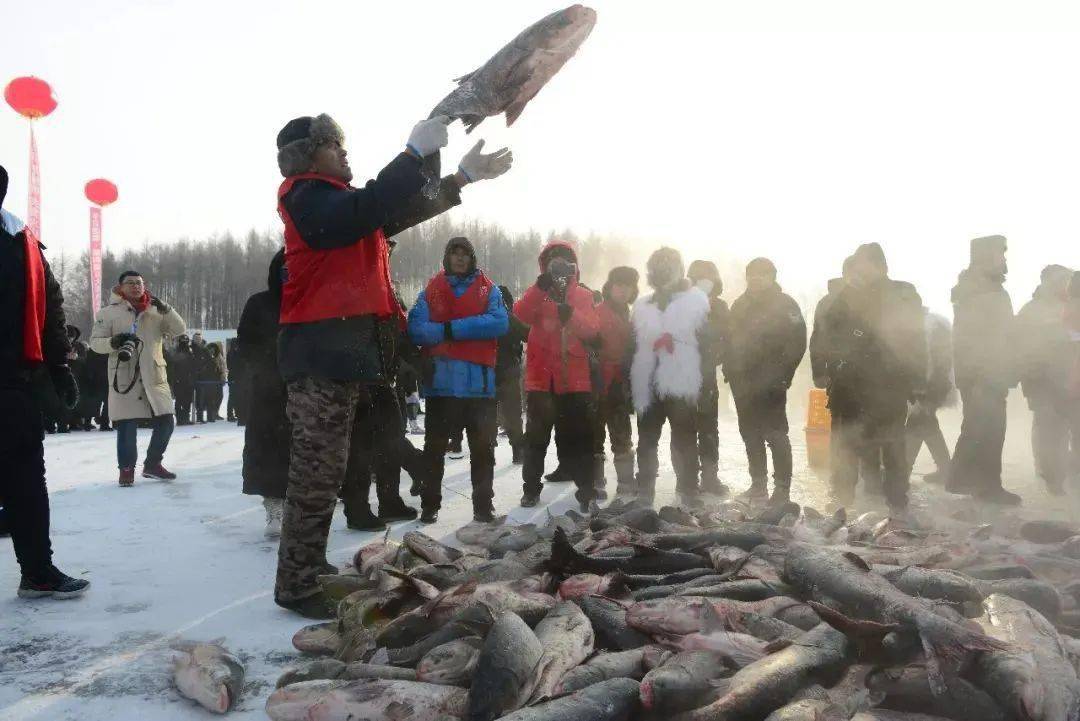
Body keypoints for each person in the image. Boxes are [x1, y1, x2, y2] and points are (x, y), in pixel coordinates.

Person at [272, 111, 512, 618]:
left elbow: (399, 209)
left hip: (345, 353)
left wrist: (460, 177)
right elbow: (373, 203)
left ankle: (308, 566)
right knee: (315, 474)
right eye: (333, 145)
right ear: (307, 155)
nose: (344, 152)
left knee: (330, 469)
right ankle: (297, 582)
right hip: (319, 354)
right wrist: (410, 153)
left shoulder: (341, 202)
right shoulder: (304, 195)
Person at [0, 164, 90, 598]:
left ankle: (36, 571)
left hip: (12, 382)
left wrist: (58, 364)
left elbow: (50, 308)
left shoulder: (23, 243)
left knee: (25, 481)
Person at [820, 243, 927, 513]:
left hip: (888, 383)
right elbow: (827, 334)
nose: (860, 270)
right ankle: (842, 499)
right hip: (848, 385)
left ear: (881, 266)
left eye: (866, 264)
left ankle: (897, 501)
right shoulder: (845, 295)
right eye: (857, 265)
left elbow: (915, 337)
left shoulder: (903, 293)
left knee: (892, 445)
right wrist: (830, 371)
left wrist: (916, 380)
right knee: (845, 443)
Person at [408, 237, 508, 524]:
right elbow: (416, 329)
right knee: (434, 451)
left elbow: (500, 323)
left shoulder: (489, 289)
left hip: (480, 389)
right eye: (454, 253)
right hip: (441, 387)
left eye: (465, 253)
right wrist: (471, 330)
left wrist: (448, 329)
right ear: (447, 257)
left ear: (472, 257)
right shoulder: (432, 290)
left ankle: (482, 507)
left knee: (483, 452)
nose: (460, 258)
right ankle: (430, 505)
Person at [515, 240, 600, 511]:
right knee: (536, 440)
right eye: (554, 263)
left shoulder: (585, 297)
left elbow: (592, 332)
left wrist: (570, 315)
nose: (560, 268)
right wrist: (540, 288)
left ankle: (586, 491)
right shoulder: (538, 292)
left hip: (575, 382)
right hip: (542, 381)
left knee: (580, 439)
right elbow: (520, 313)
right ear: (545, 266)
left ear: (574, 267)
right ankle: (531, 490)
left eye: (565, 262)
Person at [629, 249, 711, 504]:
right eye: (657, 268)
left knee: (685, 438)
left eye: (668, 267)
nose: (662, 272)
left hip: (682, 378)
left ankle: (687, 489)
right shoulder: (642, 305)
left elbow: (711, 345)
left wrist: (706, 381)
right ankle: (644, 490)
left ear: (679, 270)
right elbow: (631, 345)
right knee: (647, 440)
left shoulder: (697, 302)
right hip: (648, 379)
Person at [90, 270, 187, 485]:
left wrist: (167, 309)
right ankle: (126, 469)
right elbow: (95, 343)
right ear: (120, 287)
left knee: (166, 420)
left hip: (154, 374)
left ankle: (153, 464)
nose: (136, 286)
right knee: (126, 425)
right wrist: (114, 342)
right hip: (124, 375)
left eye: (139, 283)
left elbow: (180, 329)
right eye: (130, 283)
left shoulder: (156, 310)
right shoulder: (108, 312)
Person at [724, 258, 807, 504]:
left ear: (772, 276)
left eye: (762, 274)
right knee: (750, 432)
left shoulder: (785, 304)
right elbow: (729, 339)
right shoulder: (739, 304)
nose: (756, 278)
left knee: (775, 433)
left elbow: (797, 342)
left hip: (772, 381)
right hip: (743, 382)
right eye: (751, 274)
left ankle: (781, 489)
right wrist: (730, 369)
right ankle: (758, 485)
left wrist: (783, 375)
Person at [948, 235, 1021, 505]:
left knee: (983, 427)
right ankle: (981, 485)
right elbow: (976, 337)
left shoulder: (981, 289)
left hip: (988, 371)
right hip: (983, 372)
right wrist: (983, 372)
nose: (1004, 260)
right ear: (985, 256)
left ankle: (970, 482)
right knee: (985, 428)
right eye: (1000, 254)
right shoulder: (980, 291)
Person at [238, 249, 290, 537]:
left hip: (306, 385)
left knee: (304, 448)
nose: (289, 272)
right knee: (269, 447)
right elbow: (245, 343)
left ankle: (302, 507)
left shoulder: (311, 300)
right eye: (285, 266)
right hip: (269, 387)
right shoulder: (259, 303)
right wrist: (269, 361)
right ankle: (274, 505)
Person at [1015, 264, 1075, 495]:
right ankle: (1051, 477)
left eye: (1067, 280)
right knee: (1048, 428)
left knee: (1069, 427)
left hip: (1069, 378)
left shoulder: (1071, 306)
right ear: (1046, 282)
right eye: (1060, 280)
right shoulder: (1032, 309)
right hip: (1041, 379)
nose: (1064, 285)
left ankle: (1067, 474)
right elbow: (1018, 344)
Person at [686, 259, 730, 496]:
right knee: (685, 429)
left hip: (707, 376)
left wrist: (718, 354)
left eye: (708, 281)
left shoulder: (721, 308)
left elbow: (729, 337)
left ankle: (710, 478)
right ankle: (689, 479)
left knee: (709, 428)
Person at [594, 266, 638, 496]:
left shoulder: (631, 314)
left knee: (622, 432)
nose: (622, 291)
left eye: (628, 287)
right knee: (595, 432)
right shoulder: (598, 311)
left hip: (620, 382)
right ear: (609, 288)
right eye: (618, 285)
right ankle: (596, 482)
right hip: (598, 381)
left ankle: (625, 481)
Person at [905, 307, 955, 485]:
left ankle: (903, 471)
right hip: (930, 385)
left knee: (918, 423)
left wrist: (929, 392)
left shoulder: (931, 327)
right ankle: (946, 469)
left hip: (930, 385)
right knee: (926, 423)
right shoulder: (930, 325)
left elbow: (940, 364)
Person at [495, 284, 529, 463]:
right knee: (512, 413)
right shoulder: (510, 318)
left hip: (490, 371)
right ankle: (518, 449)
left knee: (486, 413)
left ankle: (487, 449)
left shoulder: (487, 317)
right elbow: (528, 334)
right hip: (509, 370)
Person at [167, 334, 197, 425]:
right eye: (183, 342)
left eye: (186, 342)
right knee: (180, 400)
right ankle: (180, 419)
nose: (185, 343)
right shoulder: (176, 352)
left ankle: (185, 418)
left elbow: (193, 365)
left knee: (187, 401)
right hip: (179, 380)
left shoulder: (189, 352)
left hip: (187, 380)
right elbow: (173, 366)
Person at [226, 338, 246, 424]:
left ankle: (235, 413)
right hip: (235, 378)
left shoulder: (232, 353)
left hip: (236, 377)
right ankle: (231, 414)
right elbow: (233, 366)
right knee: (233, 397)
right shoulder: (233, 354)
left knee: (236, 397)